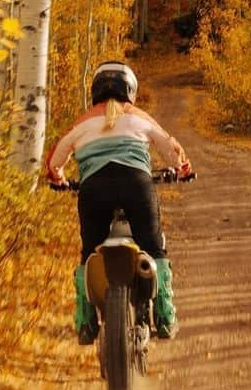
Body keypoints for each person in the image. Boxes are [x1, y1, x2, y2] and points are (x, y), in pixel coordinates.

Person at [46, 61, 192, 345]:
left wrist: (60, 179)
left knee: (89, 254)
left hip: (93, 190)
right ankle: (164, 317)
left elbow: (55, 160)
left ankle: (86, 322)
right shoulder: (139, 117)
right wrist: (182, 168)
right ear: (131, 90)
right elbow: (169, 147)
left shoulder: (82, 122)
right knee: (154, 248)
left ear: (95, 90)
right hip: (136, 185)